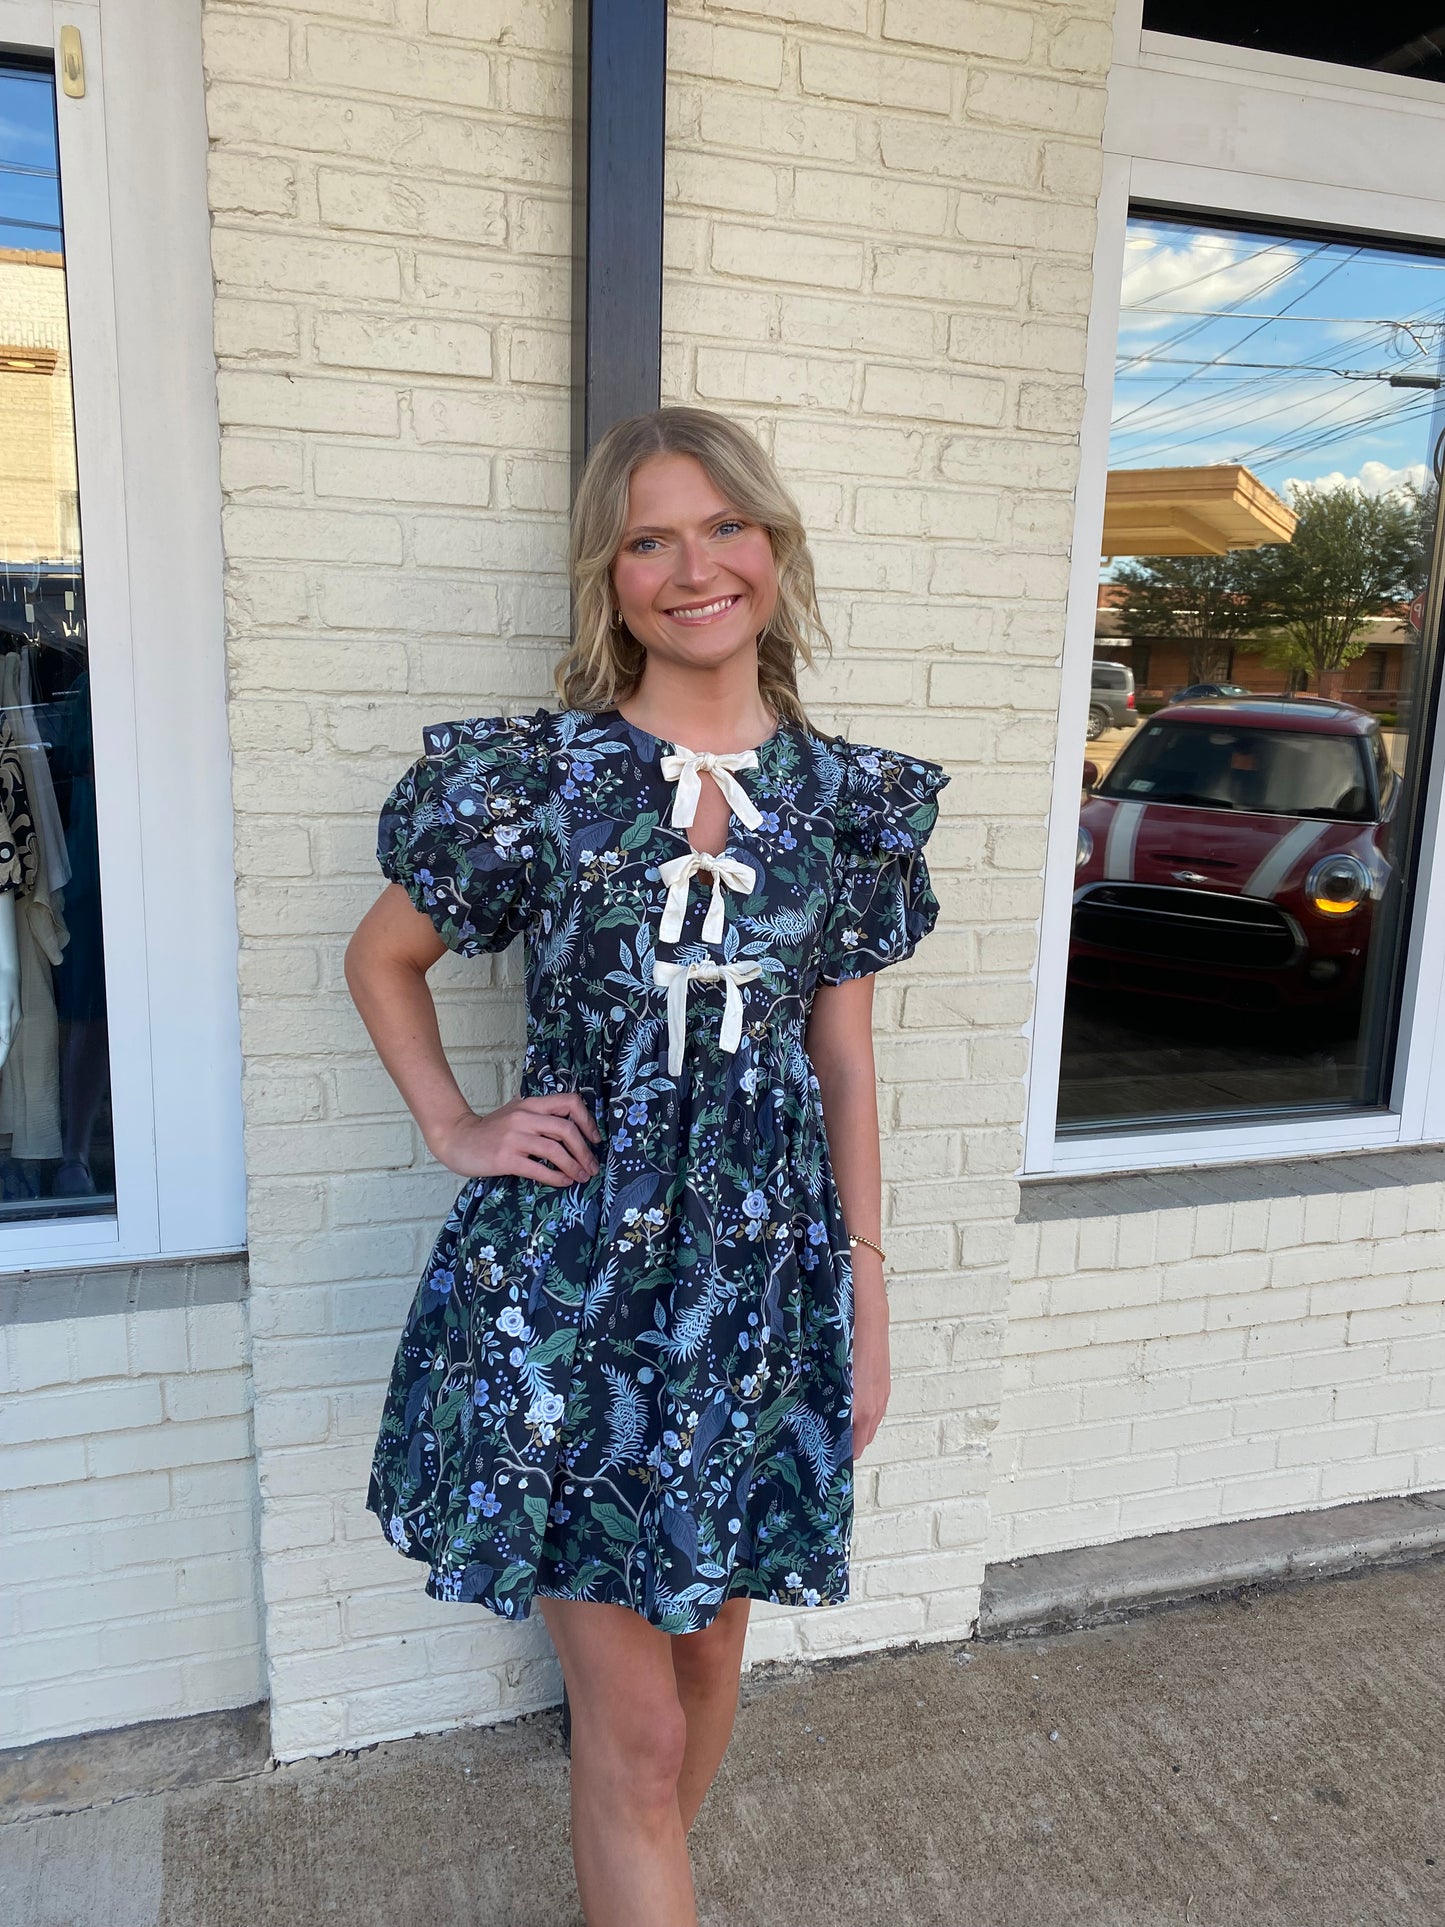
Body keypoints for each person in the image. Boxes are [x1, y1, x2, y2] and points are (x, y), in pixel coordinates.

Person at [345, 406, 947, 1926]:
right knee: (637, 1729)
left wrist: (866, 1298)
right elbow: (384, 957)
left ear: (774, 548)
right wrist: (458, 1125)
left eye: (724, 526)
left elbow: (846, 1062)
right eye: (649, 539)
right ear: (609, 579)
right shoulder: (534, 779)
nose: (696, 566)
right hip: (566, 1298)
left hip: (756, 1298)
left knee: (706, 1668)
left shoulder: (841, 806)